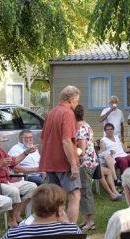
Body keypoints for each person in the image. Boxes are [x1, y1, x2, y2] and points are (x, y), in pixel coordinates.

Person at [39, 85, 81, 224]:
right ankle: (70, 233)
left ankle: (57, 229)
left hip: (49, 163)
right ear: (72, 99)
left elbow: (43, 139)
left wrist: (43, 164)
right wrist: (73, 165)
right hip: (64, 163)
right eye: (77, 100)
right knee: (74, 196)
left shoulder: (51, 113)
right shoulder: (68, 113)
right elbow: (66, 141)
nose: (77, 103)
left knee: (55, 200)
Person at [75, 104, 99, 231]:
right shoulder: (85, 125)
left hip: (85, 164)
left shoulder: (82, 128)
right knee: (84, 191)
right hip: (90, 162)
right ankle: (86, 220)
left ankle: (90, 222)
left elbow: (81, 150)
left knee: (86, 192)